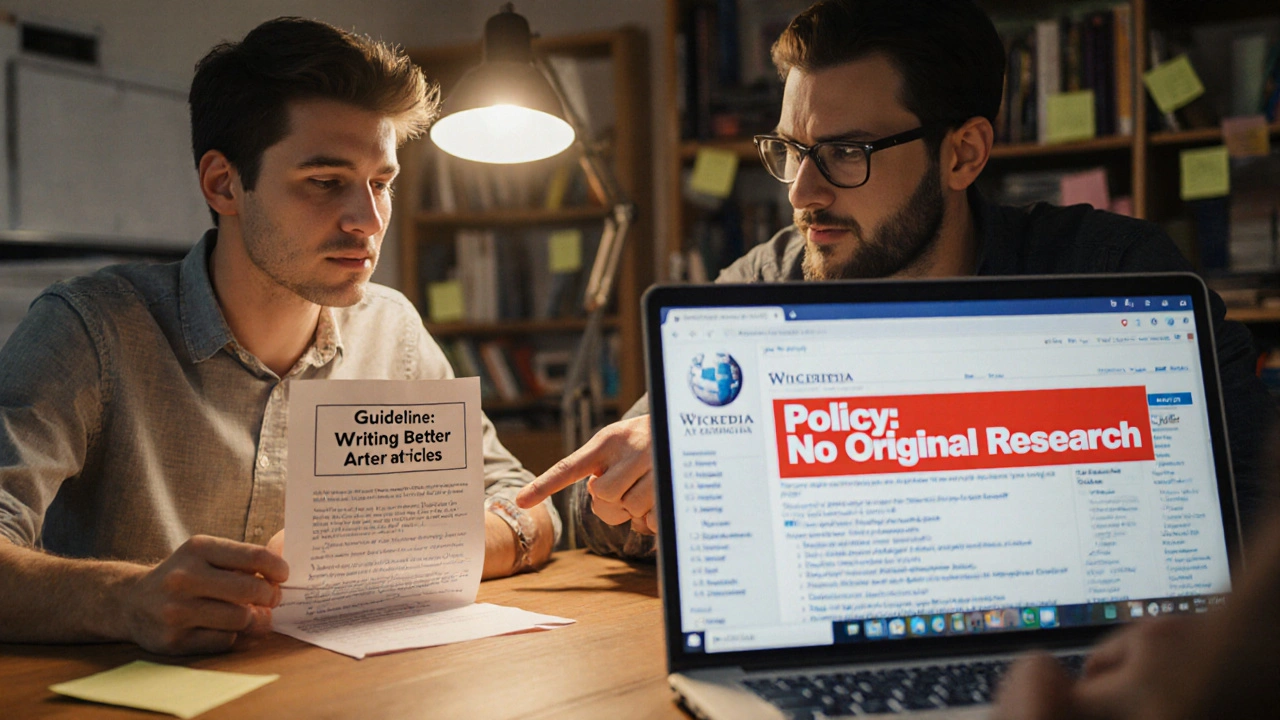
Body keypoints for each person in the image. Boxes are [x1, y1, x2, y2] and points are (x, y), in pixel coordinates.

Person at [515, 0, 1277, 559]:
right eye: (790, 150)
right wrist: (659, 476)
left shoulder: (1115, 277)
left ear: (963, 154)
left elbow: (1254, 517)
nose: (802, 192)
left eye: (845, 153)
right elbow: (594, 507)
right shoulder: (760, 286)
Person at [0, 17, 559, 656]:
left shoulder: (393, 330)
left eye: (382, 184)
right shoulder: (90, 329)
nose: (368, 220)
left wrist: (403, 550)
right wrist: (125, 600)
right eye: (325, 182)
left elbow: (530, 506)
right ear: (224, 184)